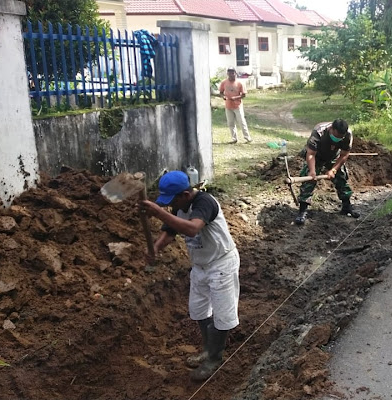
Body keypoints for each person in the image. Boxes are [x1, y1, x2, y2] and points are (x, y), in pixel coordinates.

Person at [140, 171, 240, 382]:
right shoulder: (179, 205)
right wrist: (156, 248)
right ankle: (207, 349)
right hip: (201, 265)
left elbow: (193, 229)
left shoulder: (205, 202)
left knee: (222, 315)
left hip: (221, 263)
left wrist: (158, 212)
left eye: (172, 201)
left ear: (186, 194)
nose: (170, 206)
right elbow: (170, 230)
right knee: (199, 311)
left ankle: (214, 358)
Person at [294, 119, 360, 225]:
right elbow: (311, 154)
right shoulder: (319, 132)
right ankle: (302, 210)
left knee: (341, 177)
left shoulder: (348, 134)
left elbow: (344, 155)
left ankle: (347, 206)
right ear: (331, 129)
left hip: (334, 155)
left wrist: (333, 170)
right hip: (317, 155)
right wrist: (312, 171)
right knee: (308, 180)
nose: (338, 139)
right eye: (336, 136)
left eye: (340, 138)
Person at [219, 67, 252, 143]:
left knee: (242, 122)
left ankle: (247, 137)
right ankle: (234, 138)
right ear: (227, 74)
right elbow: (221, 92)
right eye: (230, 73)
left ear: (235, 73)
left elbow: (244, 95)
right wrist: (223, 97)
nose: (231, 75)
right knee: (230, 123)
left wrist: (236, 97)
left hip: (237, 105)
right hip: (228, 106)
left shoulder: (239, 83)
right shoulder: (224, 82)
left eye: (233, 73)